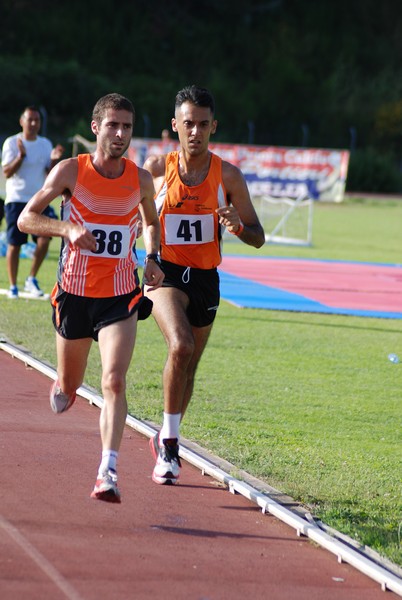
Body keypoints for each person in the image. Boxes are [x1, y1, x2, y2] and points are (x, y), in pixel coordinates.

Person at [18, 93, 164, 503]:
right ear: (95, 127)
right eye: (113, 125)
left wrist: (153, 257)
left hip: (120, 295)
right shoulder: (70, 171)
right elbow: (26, 217)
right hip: (75, 294)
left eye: (128, 127)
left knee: (114, 380)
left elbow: (151, 222)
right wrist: (66, 230)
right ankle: (63, 381)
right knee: (70, 387)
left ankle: (108, 471)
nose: (120, 134)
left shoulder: (140, 179)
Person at [143, 85, 265, 485]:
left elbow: (257, 236)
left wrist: (238, 226)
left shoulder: (228, 175)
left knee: (189, 367)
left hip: (207, 280)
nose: (195, 131)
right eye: (188, 123)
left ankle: (167, 431)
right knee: (181, 345)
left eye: (203, 124)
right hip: (167, 275)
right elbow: (131, 214)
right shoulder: (158, 168)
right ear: (174, 125)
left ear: (214, 126)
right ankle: (171, 448)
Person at [2, 105, 64, 298]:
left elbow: (49, 174)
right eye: (30, 119)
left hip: (38, 200)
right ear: (22, 121)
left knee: (45, 239)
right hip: (16, 199)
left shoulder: (45, 144)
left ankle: (31, 279)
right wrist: (20, 156)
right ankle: (13, 286)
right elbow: (7, 172)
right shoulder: (12, 142)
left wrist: (54, 160)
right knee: (15, 244)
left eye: (37, 120)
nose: (34, 123)